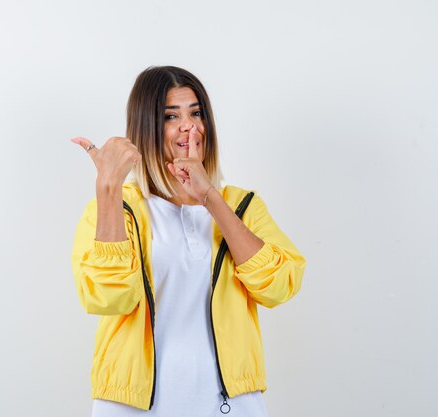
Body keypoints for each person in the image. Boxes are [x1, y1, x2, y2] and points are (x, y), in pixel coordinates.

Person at [70, 66, 307, 417]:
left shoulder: (241, 205)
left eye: (196, 113)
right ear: (146, 127)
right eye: (170, 116)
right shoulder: (120, 210)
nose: (188, 125)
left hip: (230, 405)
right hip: (132, 407)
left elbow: (279, 286)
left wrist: (210, 197)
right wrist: (108, 188)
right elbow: (109, 297)